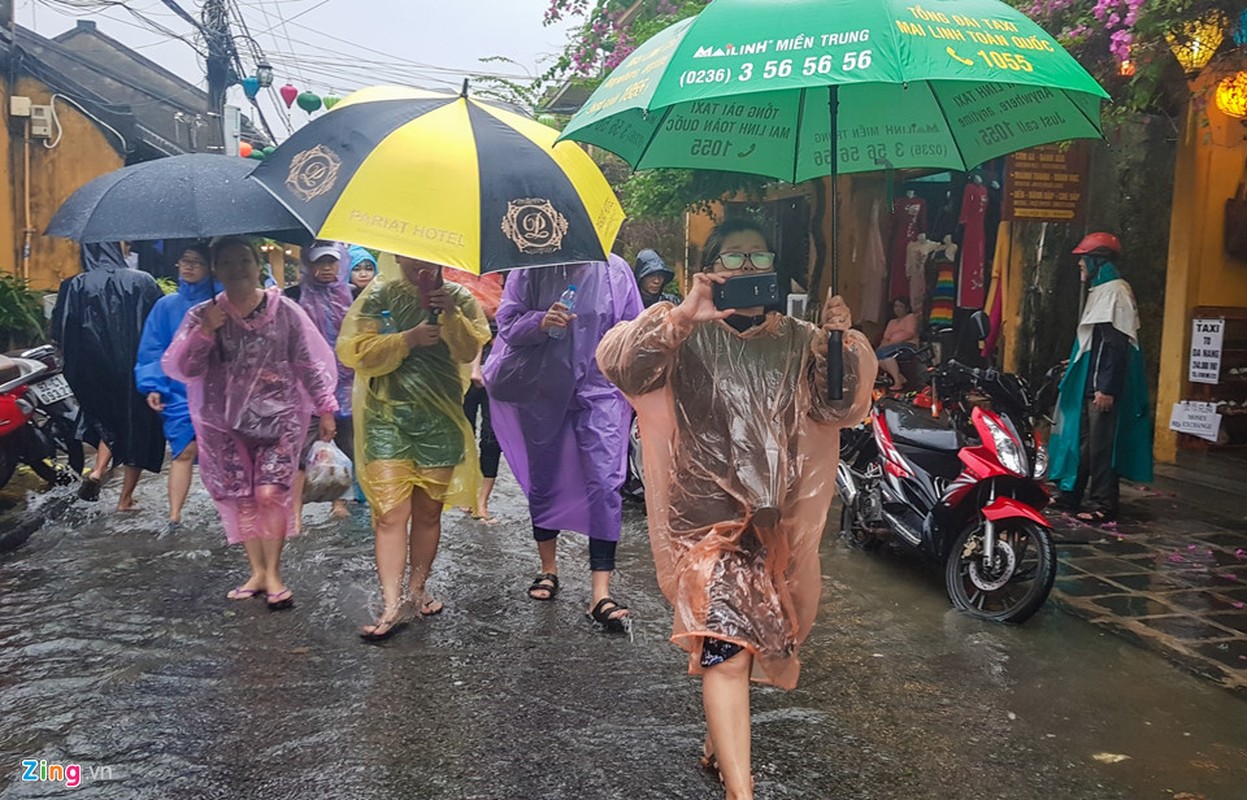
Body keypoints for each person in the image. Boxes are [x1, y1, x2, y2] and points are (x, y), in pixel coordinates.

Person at [596, 217, 876, 800]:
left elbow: (837, 409)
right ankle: (741, 792)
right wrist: (681, 317)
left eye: (759, 257)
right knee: (725, 640)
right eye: (734, 258)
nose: (747, 268)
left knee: (744, 636)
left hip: (773, 520)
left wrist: (835, 342)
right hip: (703, 521)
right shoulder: (684, 330)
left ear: (775, 267)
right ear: (710, 268)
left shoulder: (801, 336)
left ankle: (719, 741)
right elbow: (623, 368)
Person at [163, 236, 339, 611]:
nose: (237, 270)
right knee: (242, 499)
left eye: (244, 261)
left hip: (280, 420)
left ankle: (274, 573)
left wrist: (325, 408)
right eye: (227, 263)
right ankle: (256, 572)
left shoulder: (285, 310)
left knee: (270, 494)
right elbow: (184, 369)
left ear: (258, 266)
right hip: (223, 425)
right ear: (216, 270)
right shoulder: (202, 314)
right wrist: (206, 331)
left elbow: (307, 362)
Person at [483, 255, 643, 632]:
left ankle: (600, 592)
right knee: (545, 477)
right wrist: (539, 321)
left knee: (606, 482)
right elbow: (506, 323)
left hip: (601, 391)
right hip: (545, 387)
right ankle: (548, 568)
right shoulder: (530, 269)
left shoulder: (616, 271)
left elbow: (635, 332)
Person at [337, 253, 490, 640]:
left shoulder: (460, 297)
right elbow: (356, 352)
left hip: (439, 420)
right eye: (410, 254)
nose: (419, 262)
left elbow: (469, 352)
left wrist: (452, 313)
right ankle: (392, 603)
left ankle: (416, 590)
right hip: (385, 418)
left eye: (429, 255)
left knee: (427, 512)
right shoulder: (379, 296)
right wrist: (408, 339)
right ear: (397, 253)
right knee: (390, 514)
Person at [1049, 232, 1153, 524]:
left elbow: (1116, 345)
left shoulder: (1114, 292)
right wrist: (1080, 363)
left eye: (1084, 258)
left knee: (1101, 445)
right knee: (1083, 442)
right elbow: (1099, 342)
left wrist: (1105, 387)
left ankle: (1103, 504)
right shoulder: (1103, 290)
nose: (1080, 264)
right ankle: (1071, 493)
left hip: (1100, 387)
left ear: (1097, 260)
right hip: (1092, 381)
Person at [52, 242, 166, 509]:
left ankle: (97, 471)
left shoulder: (76, 285)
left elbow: (63, 329)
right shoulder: (143, 281)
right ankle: (125, 498)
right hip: (136, 364)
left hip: (96, 368)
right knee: (136, 425)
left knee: (108, 420)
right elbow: (160, 322)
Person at [134, 243, 216, 531]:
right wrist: (152, 385)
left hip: (216, 392)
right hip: (177, 390)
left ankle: (231, 513)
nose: (189, 267)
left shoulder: (221, 303)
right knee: (184, 450)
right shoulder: (165, 306)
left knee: (220, 454)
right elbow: (152, 349)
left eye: (197, 262)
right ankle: (174, 516)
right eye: (185, 261)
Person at [290, 242, 356, 523]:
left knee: (345, 444)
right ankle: (295, 509)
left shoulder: (352, 296)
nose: (327, 268)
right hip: (308, 385)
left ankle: (339, 501)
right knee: (302, 448)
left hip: (347, 384)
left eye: (331, 262)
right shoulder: (294, 297)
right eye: (320, 263)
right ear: (309, 265)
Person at [443, 267, 505, 522]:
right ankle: (467, 492)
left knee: (493, 434)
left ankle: (482, 500)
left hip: (498, 357)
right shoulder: (447, 273)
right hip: (459, 356)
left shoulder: (508, 275)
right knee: (463, 430)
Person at [875, 296, 920, 388]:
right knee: (882, 358)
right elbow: (886, 337)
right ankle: (899, 378)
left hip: (908, 346)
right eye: (896, 306)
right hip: (892, 348)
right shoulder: (892, 322)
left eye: (901, 306)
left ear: (907, 308)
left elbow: (909, 333)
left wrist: (890, 343)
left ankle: (898, 382)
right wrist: (884, 344)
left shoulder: (910, 317)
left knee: (881, 353)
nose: (897, 309)